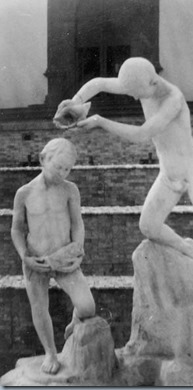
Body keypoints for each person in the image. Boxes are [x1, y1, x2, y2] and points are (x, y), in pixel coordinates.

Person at [54, 57, 193, 312]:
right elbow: (98, 83)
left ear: (152, 82)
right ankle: (184, 246)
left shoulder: (173, 98)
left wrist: (99, 122)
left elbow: (143, 134)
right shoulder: (138, 80)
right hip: (168, 172)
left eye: (135, 94)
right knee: (148, 225)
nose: (132, 98)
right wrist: (75, 101)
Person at [11, 138, 96, 375]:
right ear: (43, 159)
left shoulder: (70, 190)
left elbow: (78, 224)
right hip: (36, 259)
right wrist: (24, 256)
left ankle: (73, 321)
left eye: (68, 169)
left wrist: (78, 248)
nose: (63, 173)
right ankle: (50, 352)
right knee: (39, 307)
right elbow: (16, 229)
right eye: (58, 167)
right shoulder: (24, 193)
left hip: (64, 257)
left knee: (87, 307)